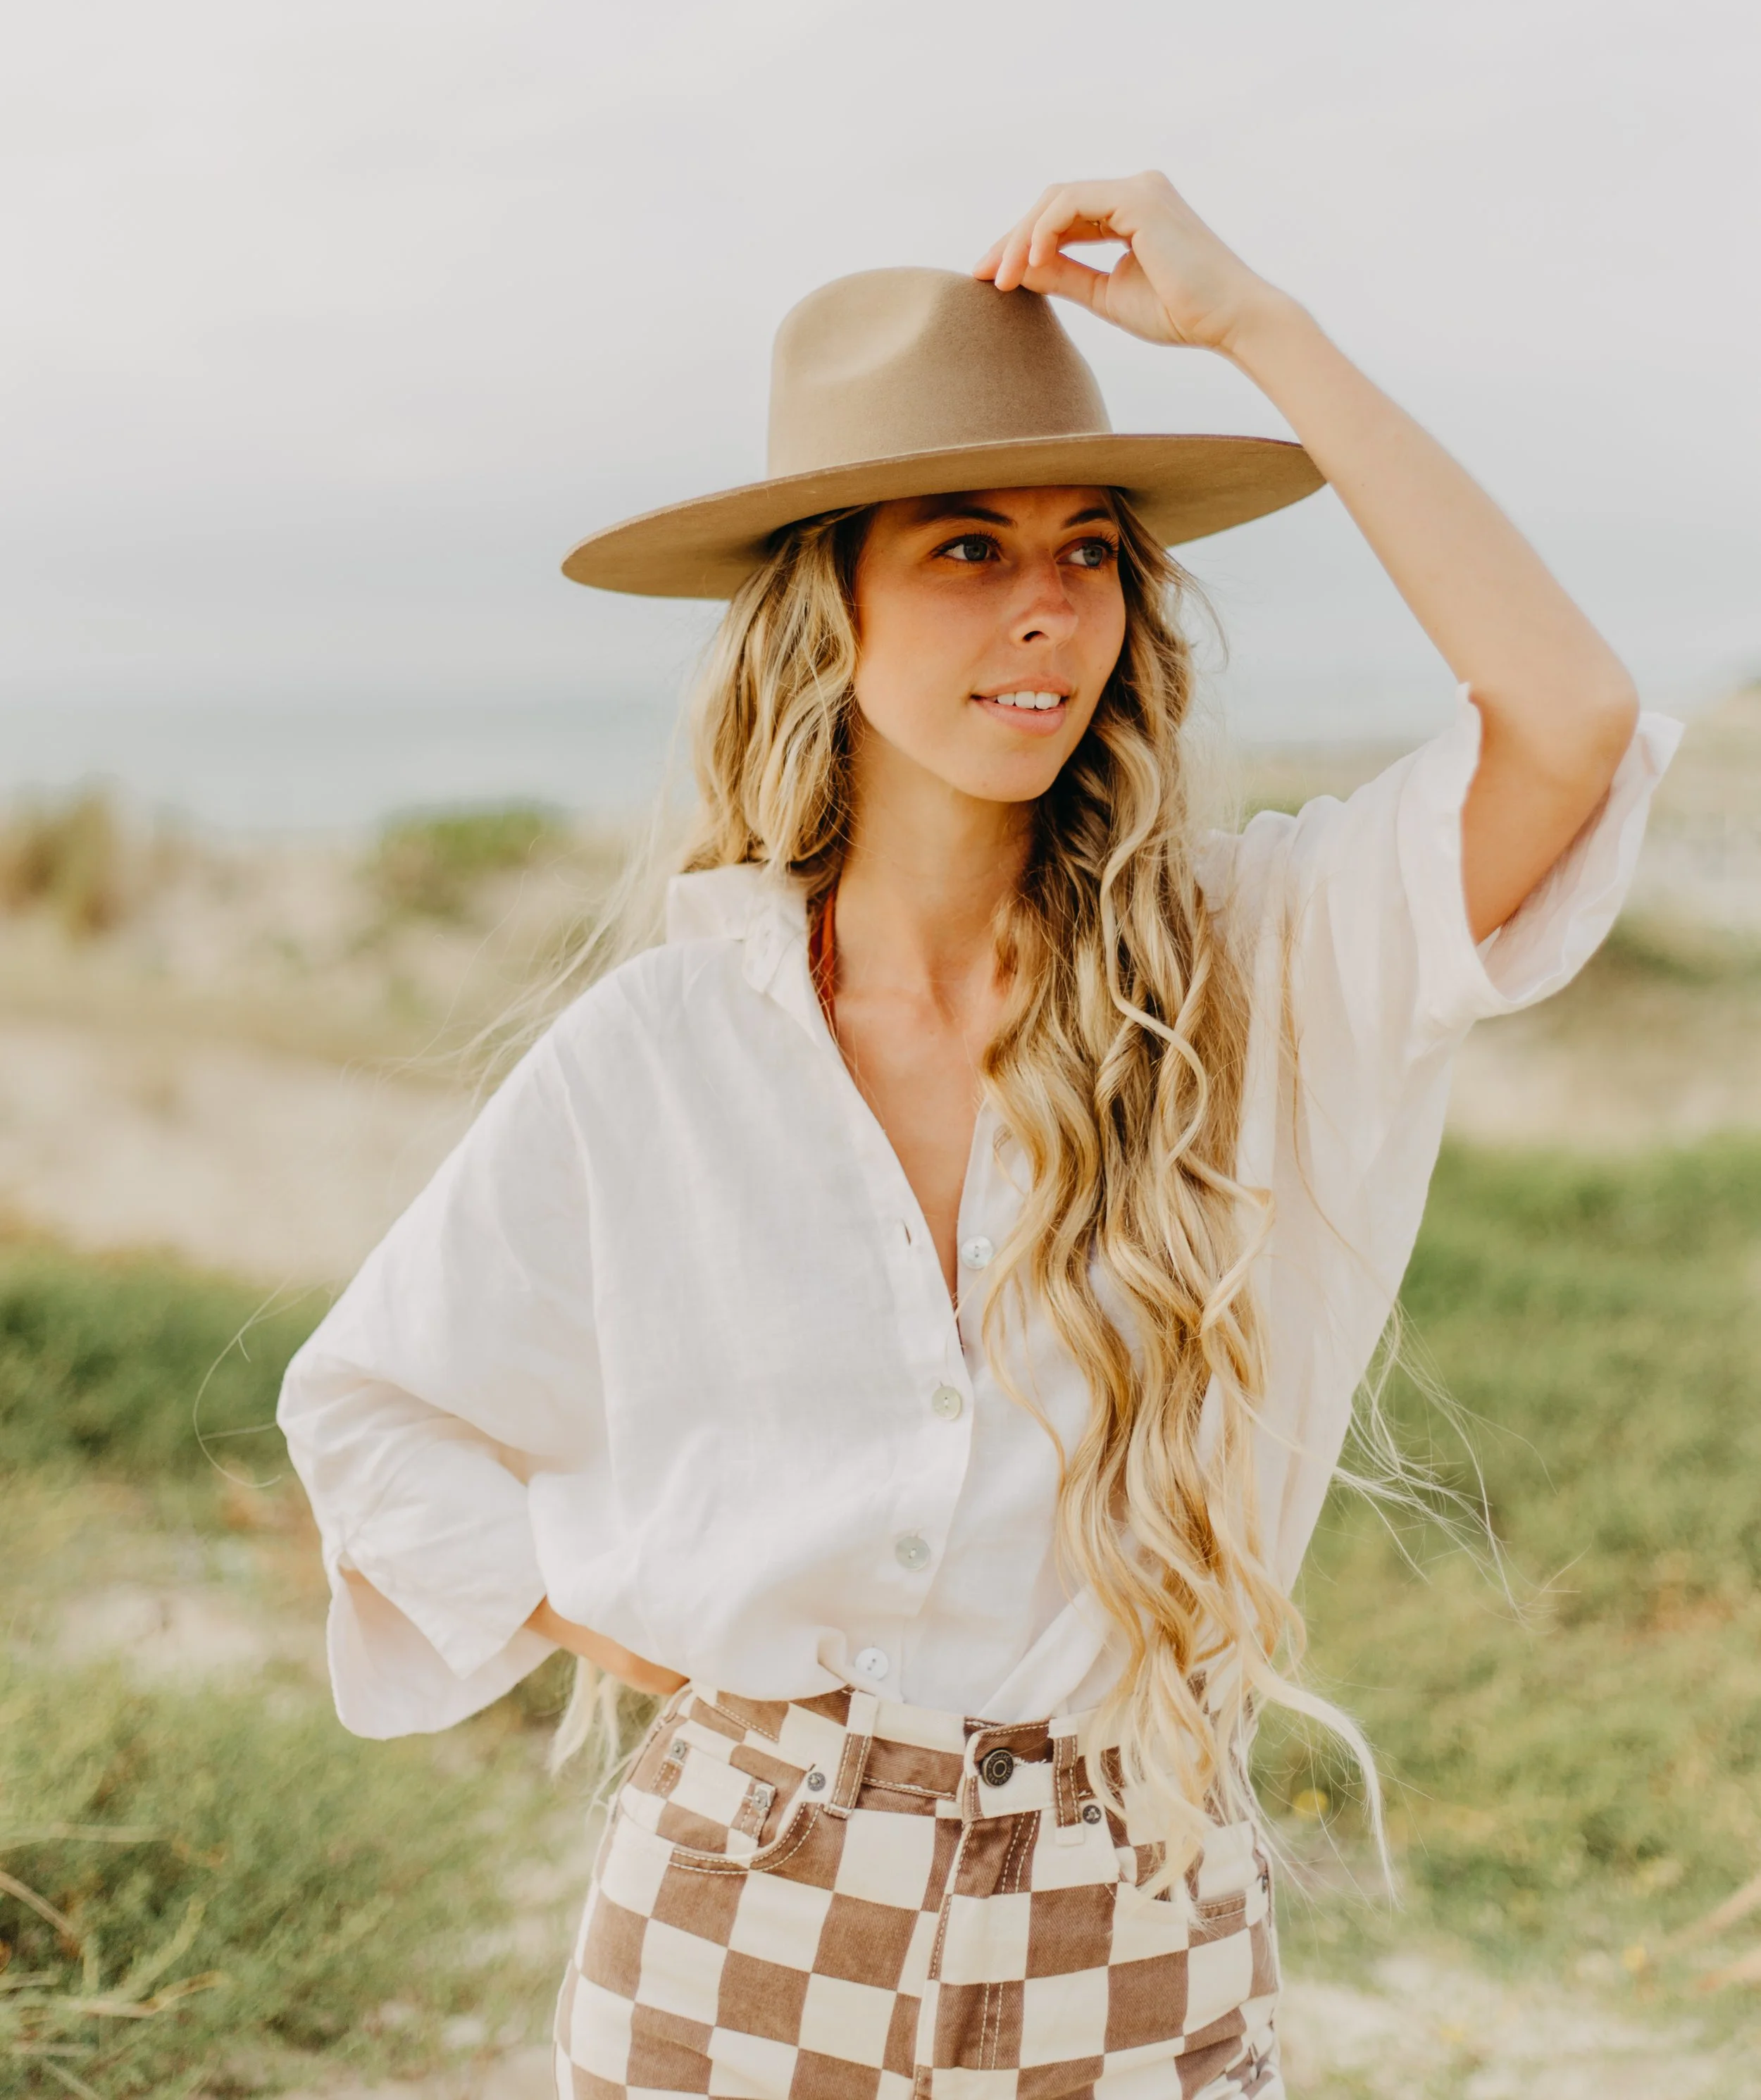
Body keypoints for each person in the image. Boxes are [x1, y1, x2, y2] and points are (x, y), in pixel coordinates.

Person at [279, 172, 1676, 2100]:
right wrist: (656, 1616)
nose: (1047, 605)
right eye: (963, 545)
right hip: (735, 1906)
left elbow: (1568, 717)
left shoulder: (1257, 965)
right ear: (827, 610)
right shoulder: (664, 1050)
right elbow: (368, 1411)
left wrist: (1257, 325)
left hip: (1132, 1894)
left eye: (1088, 547)